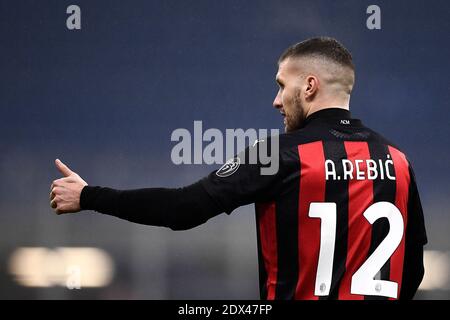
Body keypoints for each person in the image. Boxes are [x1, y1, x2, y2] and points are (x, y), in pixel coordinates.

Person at [49, 37, 427, 300]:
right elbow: (412, 273)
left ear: (309, 86)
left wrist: (89, 196)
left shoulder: (280, 155)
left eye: (282, 86)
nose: (276, 100)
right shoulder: (399, 160)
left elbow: (183, 209)